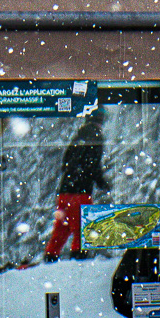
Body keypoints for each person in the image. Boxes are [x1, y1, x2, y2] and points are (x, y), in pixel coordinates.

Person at [45, 107, 110, 260]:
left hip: (64, 191)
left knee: (61, 229)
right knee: (83, 228)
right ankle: (78, 258)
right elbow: (92, 164)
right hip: (81, 192)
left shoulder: (78, 136)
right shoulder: (95, 136)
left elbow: (66, 162)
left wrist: (72, 175)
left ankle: (51, 257)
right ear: (100, 119)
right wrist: (102, 183)